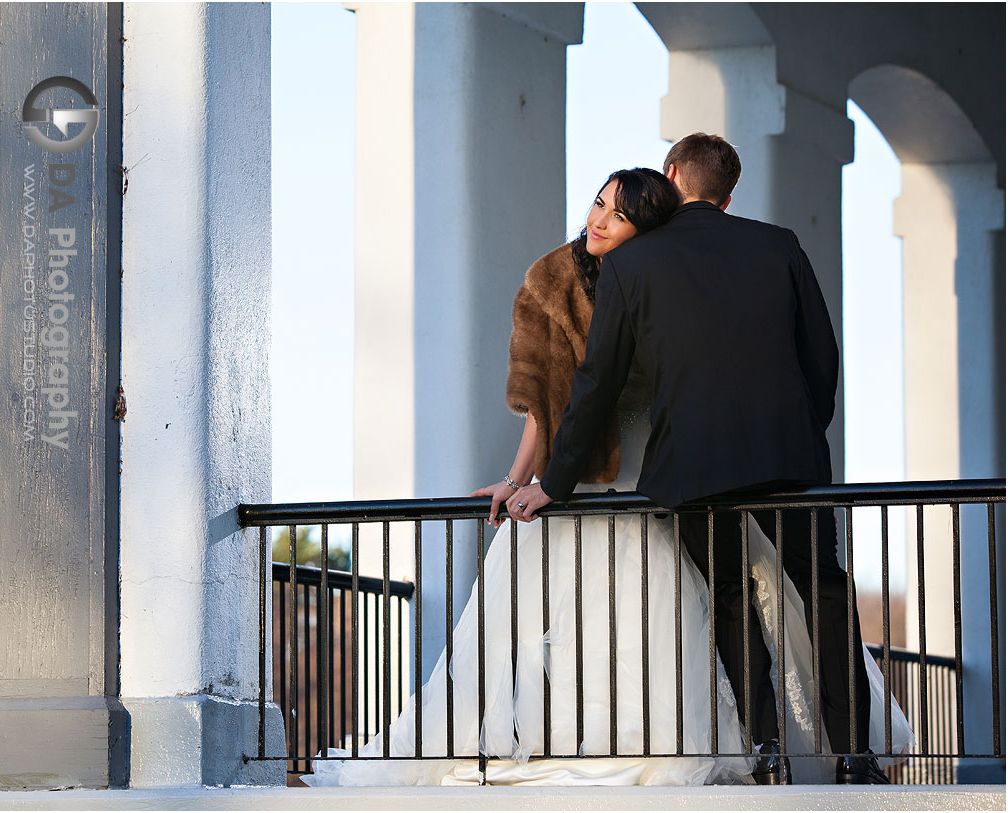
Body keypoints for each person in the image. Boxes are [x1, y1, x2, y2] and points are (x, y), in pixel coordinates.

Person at [303, 166, 910, 787]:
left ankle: (787, 746)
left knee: (711, 604)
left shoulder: (658, 269)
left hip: (668, 473)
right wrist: (521, 479)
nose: (597, 220)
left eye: (617, 215)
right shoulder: (556, 278)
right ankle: (603, 744)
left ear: (648, 228)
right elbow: (553, 401)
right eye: (598, 205)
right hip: (603, 475)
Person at [508, 134, 911, 784]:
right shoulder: (779, 244)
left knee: (729, 596)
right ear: (728, 196)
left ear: (672, 176)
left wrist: (552, 482)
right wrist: (801, 431)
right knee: (826, 594)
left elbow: (596, 383)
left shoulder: (634, 264)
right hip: (790, 457)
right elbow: (823, 359)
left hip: (693, 467)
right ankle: (854, 755)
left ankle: (767, 749)